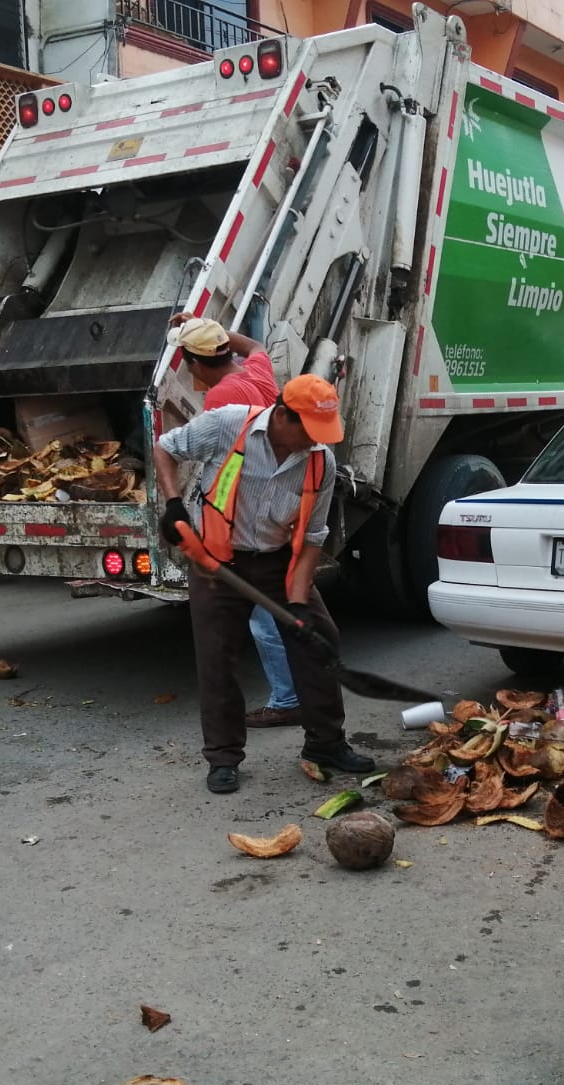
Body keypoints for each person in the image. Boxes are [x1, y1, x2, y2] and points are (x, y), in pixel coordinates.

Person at [154, 375, 376, 794]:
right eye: (309, 432)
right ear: (282, 416)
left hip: (277, 564)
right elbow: (165, 448)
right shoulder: (226, 425)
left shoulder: (320, 462)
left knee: (318, 638)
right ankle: (222, 758)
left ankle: (325, 743)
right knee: (217, 658)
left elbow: (312, 539)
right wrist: (172, 503)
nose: (315, 442)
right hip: (216, 564)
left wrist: (295, 603)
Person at [169, 315, 301, 728]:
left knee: (265, 619)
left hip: (247, 520)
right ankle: (297, 693)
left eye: (187, 360)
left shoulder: (221, 400)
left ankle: (289, 699)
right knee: (276, 609)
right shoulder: (255, 372)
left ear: (195, 364)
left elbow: (223, 458)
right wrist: (210, 330)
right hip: (278, 507)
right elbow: (258, 347)